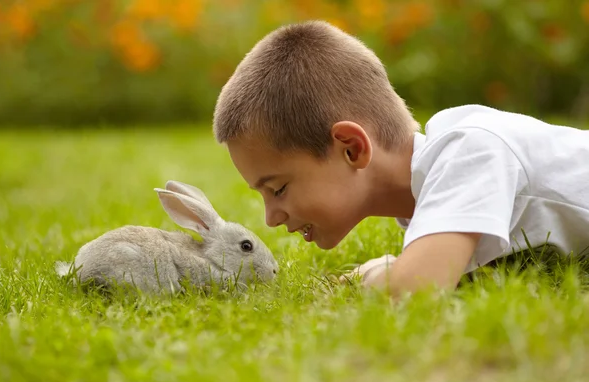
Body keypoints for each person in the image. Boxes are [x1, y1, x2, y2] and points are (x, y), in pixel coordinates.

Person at [211, 20, 589, 299]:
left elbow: (416, 288)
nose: (271, 218)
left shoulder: (470, 151)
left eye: (278, 188)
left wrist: (379, 272)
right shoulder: (434, 191)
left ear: (351, 148)